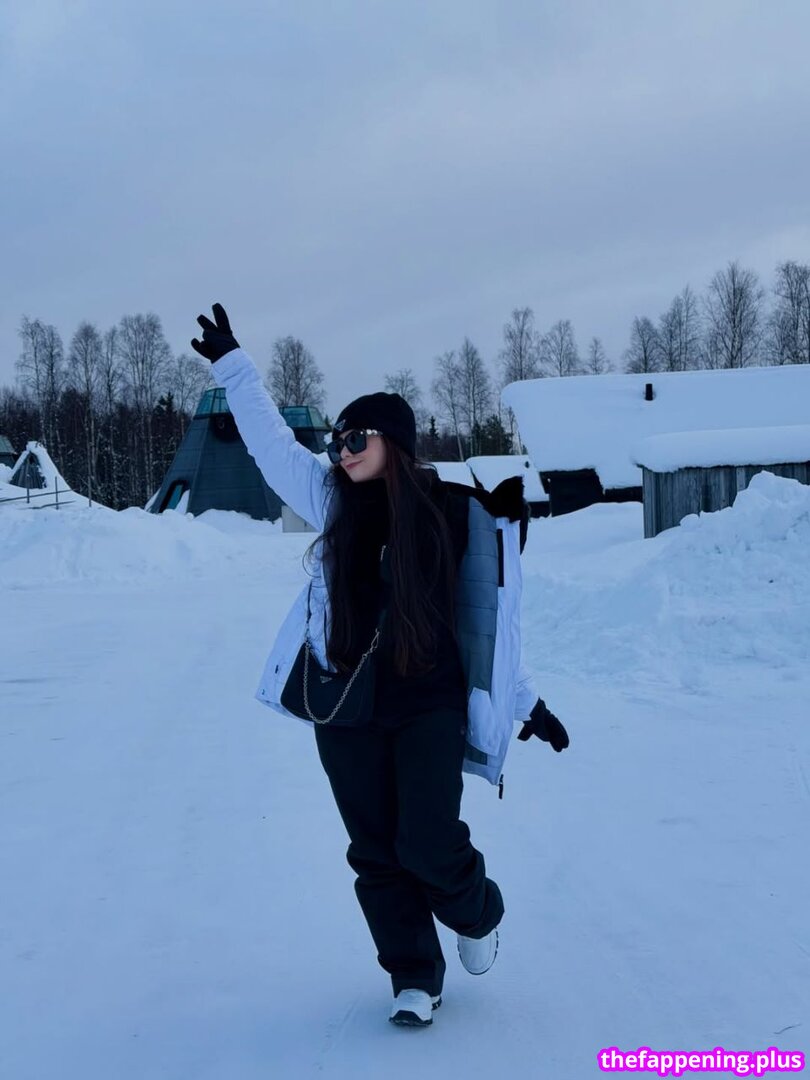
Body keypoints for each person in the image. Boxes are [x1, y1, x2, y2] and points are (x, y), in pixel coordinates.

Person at [191, 303, 568, 1028]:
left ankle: (478, 911)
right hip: (346, 705)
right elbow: (271, 445)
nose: (341, 450)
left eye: (356, 437)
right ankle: (414, 975)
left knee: (427, 841)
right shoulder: (332, 500)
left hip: (429, 702)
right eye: (337, 439)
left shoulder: (452, 512)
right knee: (374, 849)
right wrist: (234, 367)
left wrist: (527, 704)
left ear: (394, 441)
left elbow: (484, 628)